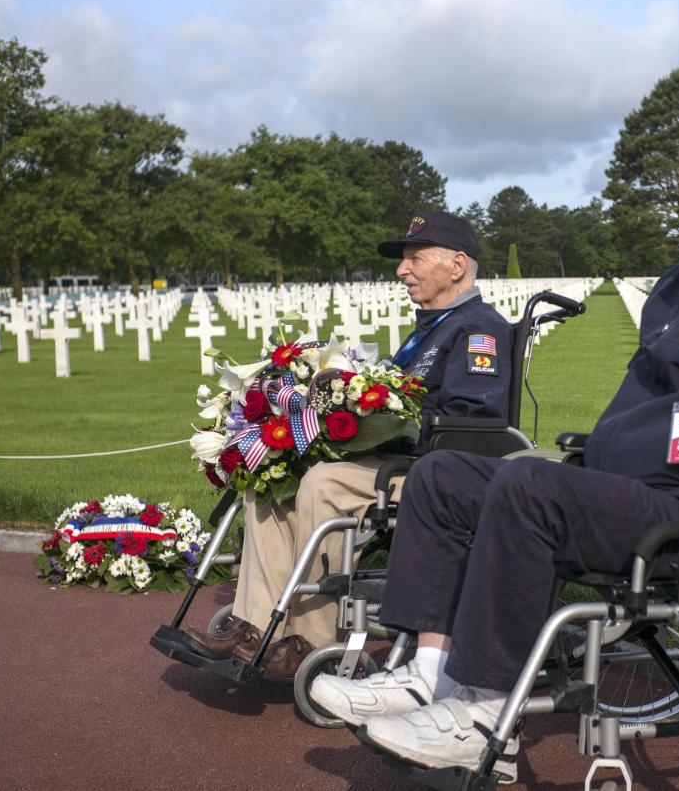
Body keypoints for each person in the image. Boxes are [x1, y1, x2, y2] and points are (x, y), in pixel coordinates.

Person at [308, 122, 679, 781]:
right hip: (627, 490)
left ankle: (482, 709)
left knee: (527, 490)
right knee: (445, 476)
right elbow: (642, 393)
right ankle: (430, 676)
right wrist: (607, 445)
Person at [183, 212, 513, 677]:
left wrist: (381, 420)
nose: (402, 270)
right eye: (404, 261)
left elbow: (474, 420)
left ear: (458, 265)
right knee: (272, 480)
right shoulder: (431, 328)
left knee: (322, 482)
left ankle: (311, 641)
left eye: (415, 259)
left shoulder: (480, 330)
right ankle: (256, 625)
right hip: (395, 462)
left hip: (438, 473)